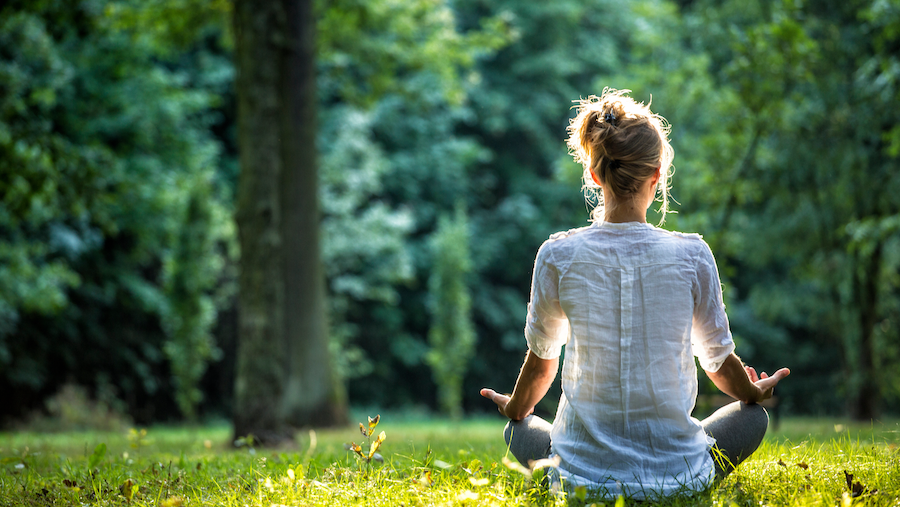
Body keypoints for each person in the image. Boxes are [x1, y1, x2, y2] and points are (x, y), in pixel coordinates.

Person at [480, 88, 790, 500]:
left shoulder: (557, 254)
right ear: (657, 175)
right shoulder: (692, 254)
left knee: (516, 429)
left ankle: (572, 470)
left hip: (580, 482)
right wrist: (753, 392)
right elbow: (717, 363)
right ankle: (679, 479)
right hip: (678, 476)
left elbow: (541, 366)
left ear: (594, 174)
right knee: (753, 420)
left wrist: (515, 408)